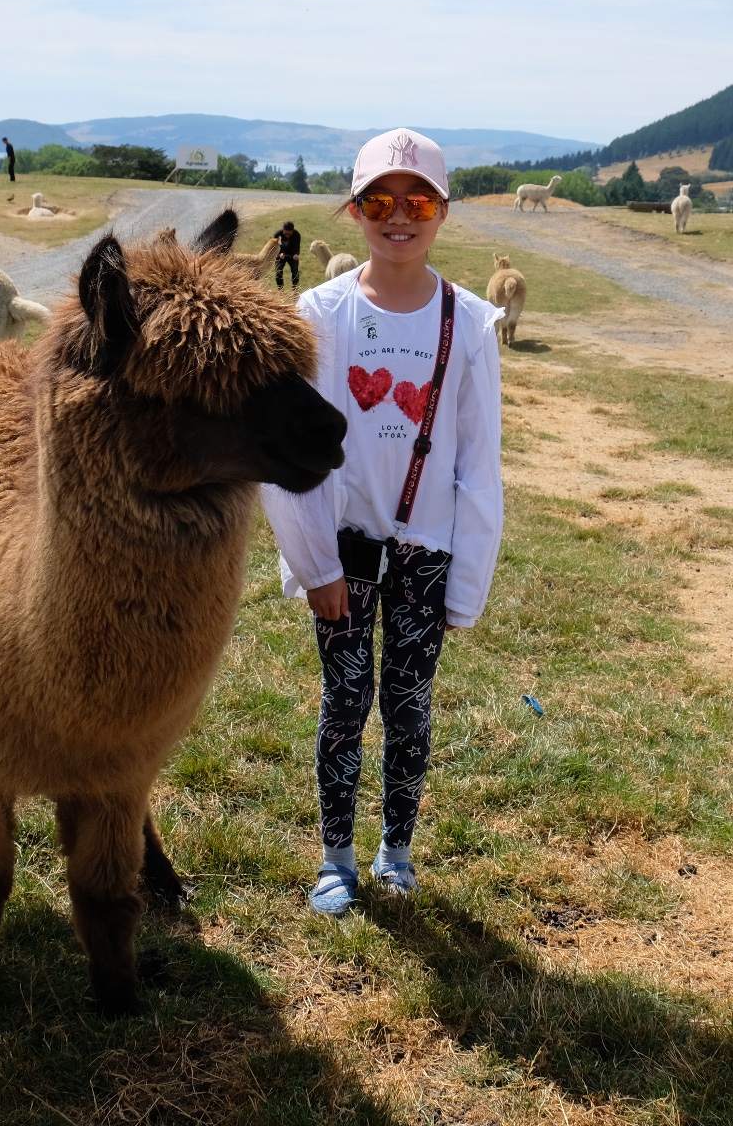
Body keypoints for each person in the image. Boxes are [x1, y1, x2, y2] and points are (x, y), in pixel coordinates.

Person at [259, 129, 505, 915]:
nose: (399, 217)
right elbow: (288, 455)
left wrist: (464, 588)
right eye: (379, 201)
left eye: (419, 201)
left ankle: (396, 849)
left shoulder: (467, 324)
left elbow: (477, 462)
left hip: (424, 554)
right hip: (343, 553)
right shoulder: (318, 312)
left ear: (442, 212)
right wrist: (312, 566)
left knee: (407, 705)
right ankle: (336, 857)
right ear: (355, 209)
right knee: (344, 699)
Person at [273, 220, 302, 289]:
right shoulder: (278, 234)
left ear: (292, 231)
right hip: (281, 254)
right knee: (278, 272)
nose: (287, 235)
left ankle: (295, 288)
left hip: (292, 255)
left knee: (295, 271)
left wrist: (296, 254)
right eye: (286, 233)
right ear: (283, 230)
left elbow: (297, 246)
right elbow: (274, 247)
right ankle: (280, 289)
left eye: (289, 233)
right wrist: (279, 254)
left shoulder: (297, 234)